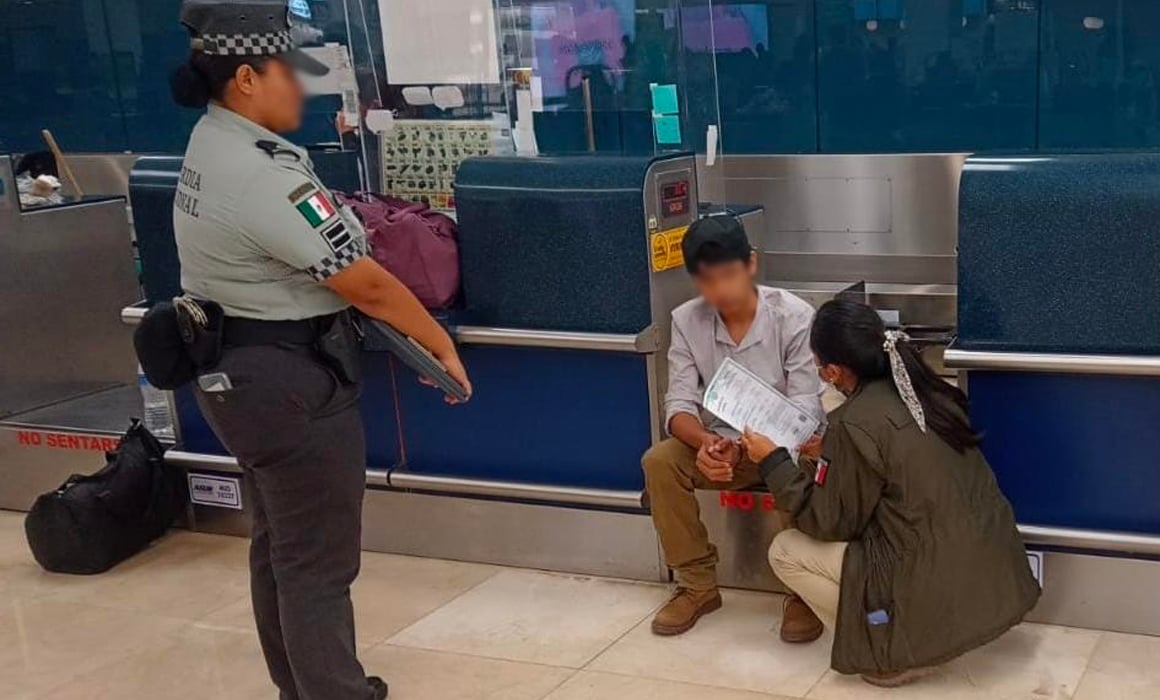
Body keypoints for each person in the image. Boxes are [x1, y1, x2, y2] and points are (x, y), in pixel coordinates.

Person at [168, 2, 471, 698]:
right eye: (288, 74)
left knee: (281, 547)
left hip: (239, 377)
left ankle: (300, 687)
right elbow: (362, 280)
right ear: (246, 77)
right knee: (318, 565)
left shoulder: (210, 145)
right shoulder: (262, 171)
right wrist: (437, 346)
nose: (301, 90)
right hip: (290, 384)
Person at [740, 300, 1040, 687]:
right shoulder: (931, 393)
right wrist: (830, 451)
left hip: (928, 576)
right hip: (993, 584)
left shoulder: (853, 422)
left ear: (833, 371)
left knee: (786, 550)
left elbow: (828, 522)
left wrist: (773, 461)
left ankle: (887, 652)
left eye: (818, 366)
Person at [641, 215, 825, 638]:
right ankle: (697, 585)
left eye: (728, 275)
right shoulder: (687, 320)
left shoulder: (793, 316)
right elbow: (679, 404)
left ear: (751, 264)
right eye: (706, 280)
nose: (719, 290)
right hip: (723, 443)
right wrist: (707, 443)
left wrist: (760, 447)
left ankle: (802, 592)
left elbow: (805, 404)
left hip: (787, 445)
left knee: (801, 463)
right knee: (660, 461)